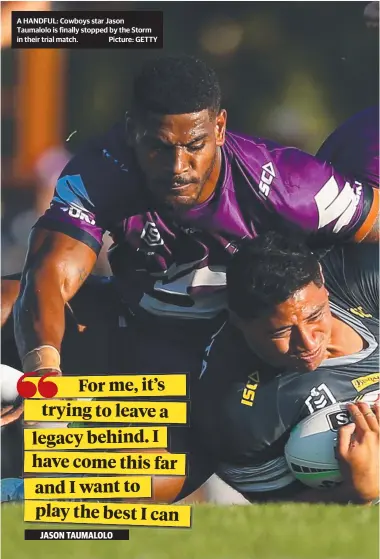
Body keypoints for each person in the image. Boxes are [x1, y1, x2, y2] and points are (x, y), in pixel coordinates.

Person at [1, 56, 379, 501]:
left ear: (220, 127)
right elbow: (50, 273)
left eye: (194, 145)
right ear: (131, 131)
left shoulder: (294, 187)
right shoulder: (101, 172)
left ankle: (24, 497)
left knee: (199, 447)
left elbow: (372, 223)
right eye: (159, 147)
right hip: (139, 327)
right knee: (10, 298)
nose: (178, 166)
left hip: (247, 358)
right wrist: (44, 376)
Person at [190, 232, 379, 504]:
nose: (309, 341)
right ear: (238, 321)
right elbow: (276, 515)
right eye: (281, 332)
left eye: (316, 315)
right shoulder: (240, 415)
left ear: (322, 283)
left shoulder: (363, 274)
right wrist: (356, 493)